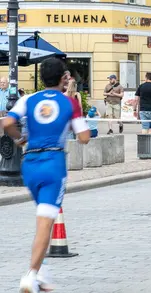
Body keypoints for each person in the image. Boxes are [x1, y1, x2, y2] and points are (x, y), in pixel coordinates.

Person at [3, 58, 90, 293]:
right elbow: (84, 137)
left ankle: (42, 273)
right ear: (63, 78)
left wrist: (19, 138)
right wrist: (74, 125)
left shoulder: (28, 99)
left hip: (29, 164)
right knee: (45, 223)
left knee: (43, 217)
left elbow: (7, 122)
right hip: (53, 164)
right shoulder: (70, 103)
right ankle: (30, 275)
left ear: (41, 78)